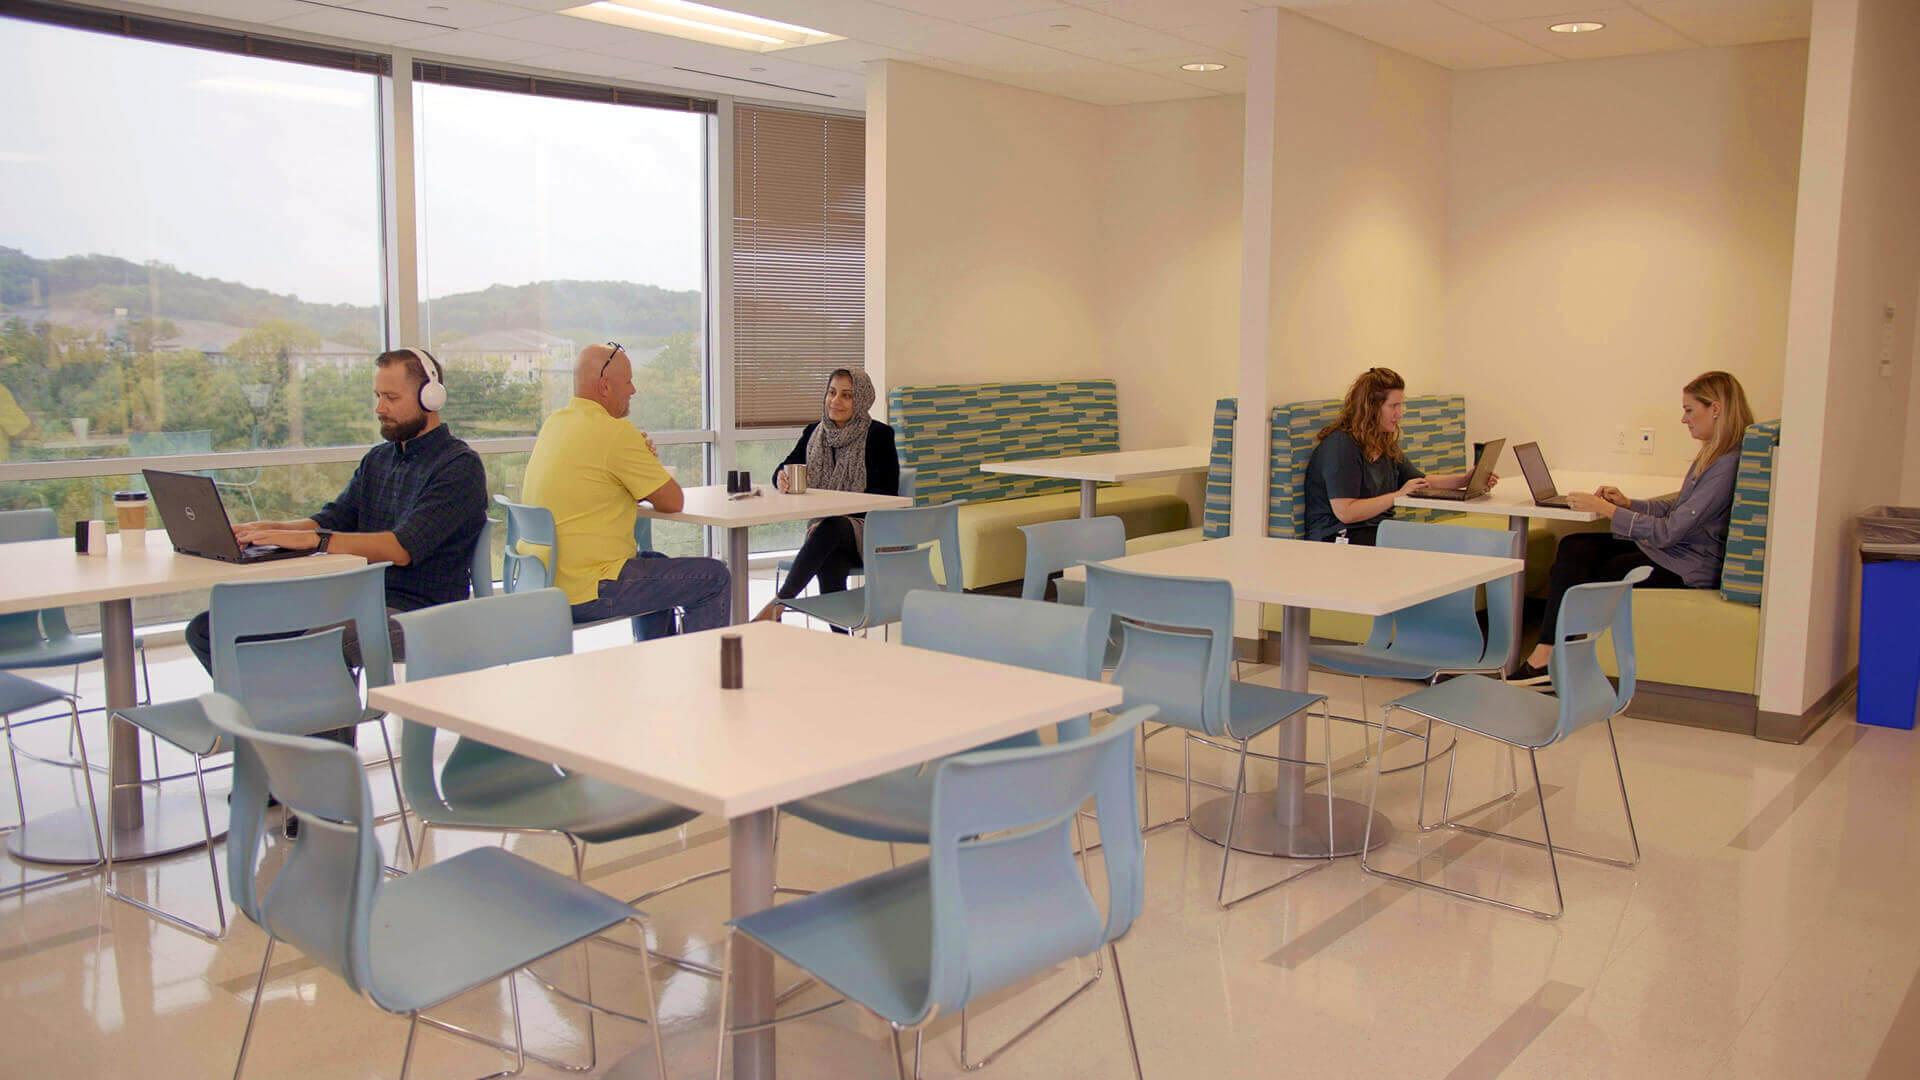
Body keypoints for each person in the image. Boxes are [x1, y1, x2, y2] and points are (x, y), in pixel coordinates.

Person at [185, 346, 489, 743]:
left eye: (392, 398)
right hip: (352, 599)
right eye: (378, 396)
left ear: (431, 397)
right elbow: (330, 520)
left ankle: (325, 787)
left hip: (420, 613)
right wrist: (269, 528)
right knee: (209, 629)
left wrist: (315, 540)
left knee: (316, 644)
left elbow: (401, 547)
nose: (380, 408)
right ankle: (280, 744)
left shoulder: (458, 467)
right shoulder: (379, 459)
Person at [1512, 370, 1753, 684]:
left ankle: (1560, 664)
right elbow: (1676, 507)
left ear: (1716, 409)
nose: (1683, 419)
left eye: (1689, 409)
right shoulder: (1712, 454)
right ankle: (1548, 654)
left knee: (1604, 569)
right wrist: (1627, 504)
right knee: (1575, 546)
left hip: (1688, 566)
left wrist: (1607, 510)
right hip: (1672, 553)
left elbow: (1669, 531)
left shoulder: (1725, 465)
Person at [520, 342, 729, 633]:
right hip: (588, 589)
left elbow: (597, 484)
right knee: (714, 577)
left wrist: (638, 463)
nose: (634, 390)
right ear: (605, 387)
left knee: (655, 564)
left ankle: (657, 661)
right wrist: (641, 458)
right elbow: (672, 501)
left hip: (546, 583)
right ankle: (705, 676)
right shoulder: (614, 432)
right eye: (629, 381)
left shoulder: (555, 424)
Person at [752, 369, 899, 625]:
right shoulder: (813, 433)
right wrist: (781, 478)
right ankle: (842, 641)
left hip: (872, 533)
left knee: (831, 527)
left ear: (862, 400)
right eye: (832, 393)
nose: (835, 401)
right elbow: (785, 466)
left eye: (846, 395)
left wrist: (836, 519)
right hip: (829, 538)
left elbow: (886, 495)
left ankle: (779, 603)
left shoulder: (879, 436)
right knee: (830, 557)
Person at [1303, 367, 1491, 545]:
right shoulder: (1341, 446)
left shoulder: (1382, 443)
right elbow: (1346, 512)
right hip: (1338, 537)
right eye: (1393, 406)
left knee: (1460, 540)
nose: (1399, 414)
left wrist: (1465, 480)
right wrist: (1397, 495)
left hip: (1377, 530)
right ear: (1371, 408)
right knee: (1439, 543)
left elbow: (1420, 482)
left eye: (1400, 406)